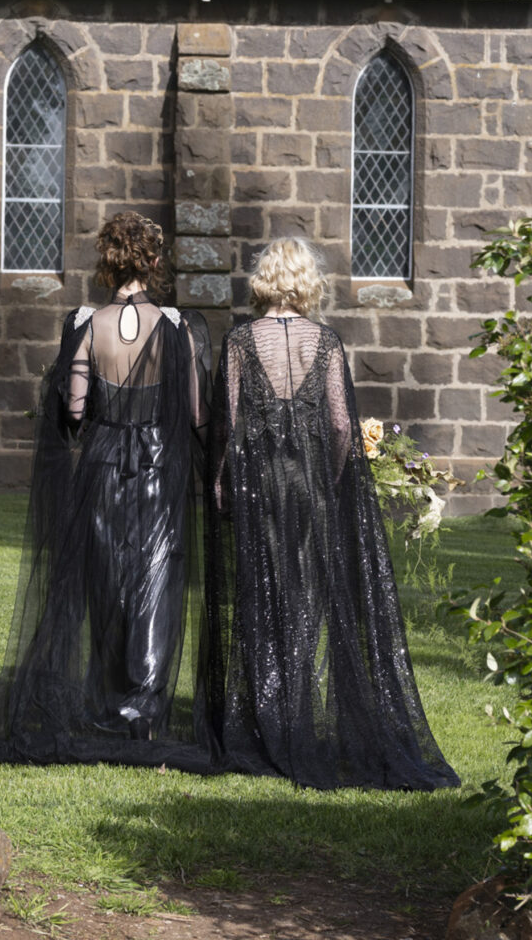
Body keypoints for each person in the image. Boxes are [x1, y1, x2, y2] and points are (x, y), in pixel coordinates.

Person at [205, 238, 460, 790]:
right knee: (307, 594)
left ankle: (270, 716)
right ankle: (297, 710)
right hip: (310, 485)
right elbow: (342, 425)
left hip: (259, 484)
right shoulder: (325, 342)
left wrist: (221, 480)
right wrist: (333, 474)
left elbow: (227, 423)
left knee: (261, 589)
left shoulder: (241, 342)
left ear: (264, 279)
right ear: (307, 281)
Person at [0, 212, 216, 771]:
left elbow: (76, 411)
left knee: (106, 580)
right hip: (159, 467)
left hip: (102, 466)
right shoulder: (177, 325)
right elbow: (197, 412)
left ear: (107, 262)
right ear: (153, 261)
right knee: (156, 580)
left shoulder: (84, 323)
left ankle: (105, 707)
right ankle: (142, 711)